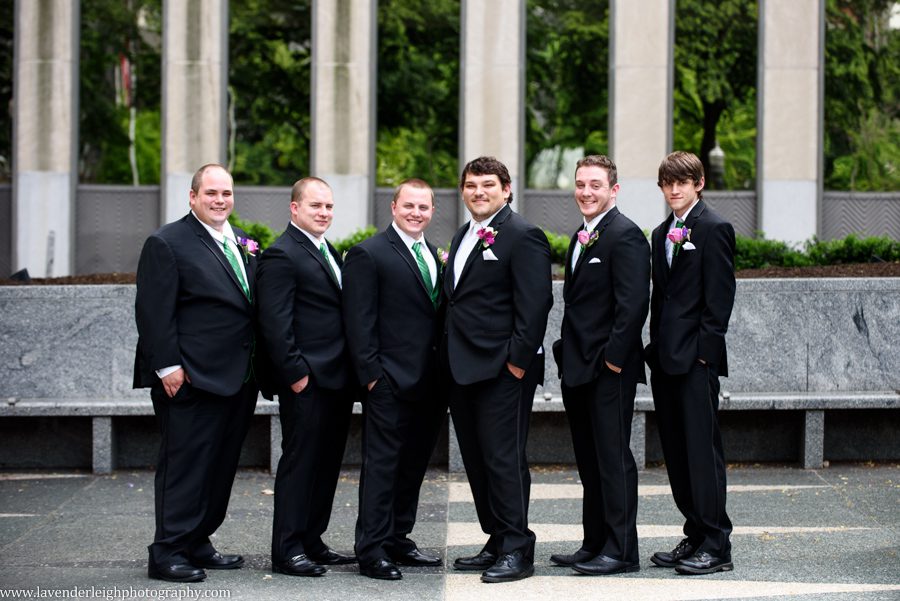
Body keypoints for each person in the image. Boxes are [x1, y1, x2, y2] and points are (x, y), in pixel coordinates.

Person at [134, 163, 259, 583]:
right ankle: (167, 551)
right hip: (189, 379)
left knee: (219, 467)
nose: (220, 200)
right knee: (184, 467)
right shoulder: (167, 242)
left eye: (226, 193)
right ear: (193, 197)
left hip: (237, 378)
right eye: (211, 193)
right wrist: (168, 367)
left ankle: (198, 541)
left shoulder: (241, 242)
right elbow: (153, 311)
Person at [442, 156, 553, 583]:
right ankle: (497, 537)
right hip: (462, 368)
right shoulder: (464, 234)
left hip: (503, 370)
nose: (478, 192)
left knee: (503, 458)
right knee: (477, 458)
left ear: (506, 189)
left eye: (488, 184)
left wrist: (516, 365)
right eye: (471, 185)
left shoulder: (524, 235)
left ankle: (517, 548)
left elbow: (536, 304)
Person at [342, 179, 447, 580]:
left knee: (413, 465)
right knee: (382, 467)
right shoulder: (369, 253)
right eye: (409, 206)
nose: (416, 213)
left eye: (423, 207)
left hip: (430, 383)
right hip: (387, 381)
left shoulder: (434, 255)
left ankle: (398, 537)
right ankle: (371, 549)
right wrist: (372, 377)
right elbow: (358, 321)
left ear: (432, 211)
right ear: (393, 207)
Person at [550, 155, 650, 575]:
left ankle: (622, 550)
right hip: (577, 366)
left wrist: (612, 362)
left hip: (609, 370)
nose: (586, 192)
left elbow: (633, 305)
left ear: (614, 190)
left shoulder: (625, 235)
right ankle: (594, 543)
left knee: (612, 459)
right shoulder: (582, 235)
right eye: (580, 184)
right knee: (590, 462)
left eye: (595, 185)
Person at [256, 177, 356, 577]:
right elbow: (274, 323)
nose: (324, 212)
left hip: (336, 381)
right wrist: (296, 375)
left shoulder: (326, 249)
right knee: (300, 465)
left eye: (329, 206)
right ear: (294, 208)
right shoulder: (282, 254)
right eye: (316, 205)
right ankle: (287, 549)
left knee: (326, 465)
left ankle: (312, 540)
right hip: (307, 382)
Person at [645, 151, 736, 575]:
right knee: (677, 455)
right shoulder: (660, 233)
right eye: (668, 183)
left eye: (682, 182)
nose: (674, 189)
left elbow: (720, 300)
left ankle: (717, 544)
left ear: (698, 183)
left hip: (696, 363)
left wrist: (704, 355)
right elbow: (661, 297)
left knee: (702, 453)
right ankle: (695, 533)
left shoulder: (715, 228)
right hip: (665, 361)